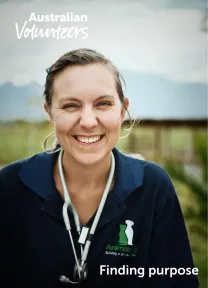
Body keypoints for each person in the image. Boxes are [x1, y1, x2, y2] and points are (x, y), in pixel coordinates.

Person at [0, 48, 199, 288]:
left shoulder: (152, 187)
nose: (87, 121)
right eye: (71, 106)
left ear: (123, 110)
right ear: (50, 114)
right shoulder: (11, 186)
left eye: (103, 104)